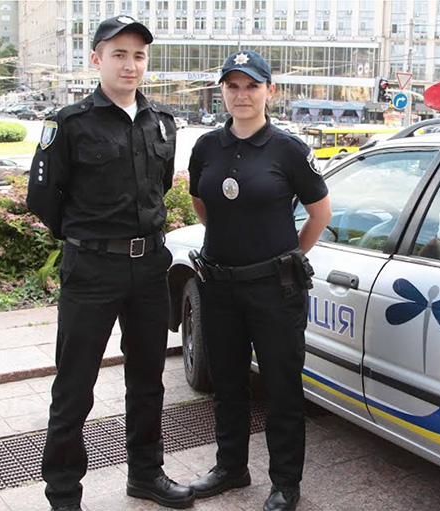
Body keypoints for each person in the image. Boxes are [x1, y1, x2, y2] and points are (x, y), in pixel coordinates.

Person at [26, 16, 195, 511]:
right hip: (91, 271)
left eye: (138, 55)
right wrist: (87, 237)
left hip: (148, 269)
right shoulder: (69, 123)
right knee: (75, 387)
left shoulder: (161, 121)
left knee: (147, 380)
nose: (130, 63)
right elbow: (43, 198)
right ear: (96, 58)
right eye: (118, 53)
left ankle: (145, 474)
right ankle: (63, 495)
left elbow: (158, 187)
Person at [186, 50, 332, 511]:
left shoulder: (288, 149)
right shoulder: (207, 146)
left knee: (281, 387)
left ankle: (285, 483)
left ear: (270, 90)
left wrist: (284, 258)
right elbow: (202, 205)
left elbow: (318, 215)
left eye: (252, 85)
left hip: (274, 289)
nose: (241, 95)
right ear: (222, 92)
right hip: (219, 285)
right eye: (232, 86)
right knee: (227, 382)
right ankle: (231, 467)